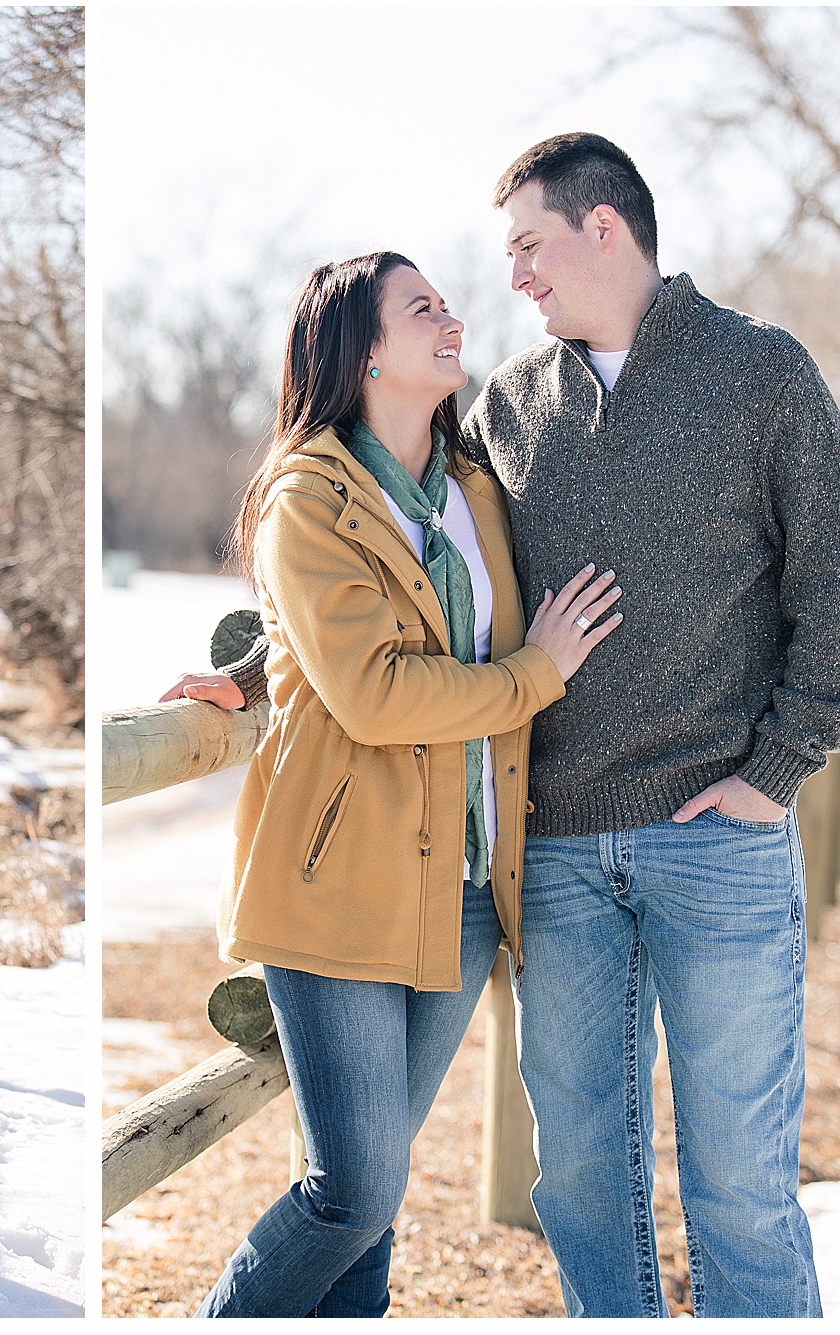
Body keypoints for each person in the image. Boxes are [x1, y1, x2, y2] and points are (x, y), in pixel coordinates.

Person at [173, 135, 840, 1319]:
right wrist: (255, 671)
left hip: (717, 835)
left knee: (742, 1184)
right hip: (550, 855)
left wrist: (780, 766)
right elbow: (413, 578)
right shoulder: (508, 403)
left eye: (527, 246)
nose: (514, 278)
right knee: (582, 1180)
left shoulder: (761, 374)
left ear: (602, 227)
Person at [190, 251, 622, 1318]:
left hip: (467, 888)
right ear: (365, 350)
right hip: (339, 885)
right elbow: (375, 692)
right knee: (354, 1190)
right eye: (420, 307)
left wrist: (261, 667)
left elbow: (419, 636)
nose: (451, 317)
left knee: (375, 1201)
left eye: (445, 301)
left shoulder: (475, 484)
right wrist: (538, 675)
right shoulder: (307, 497)